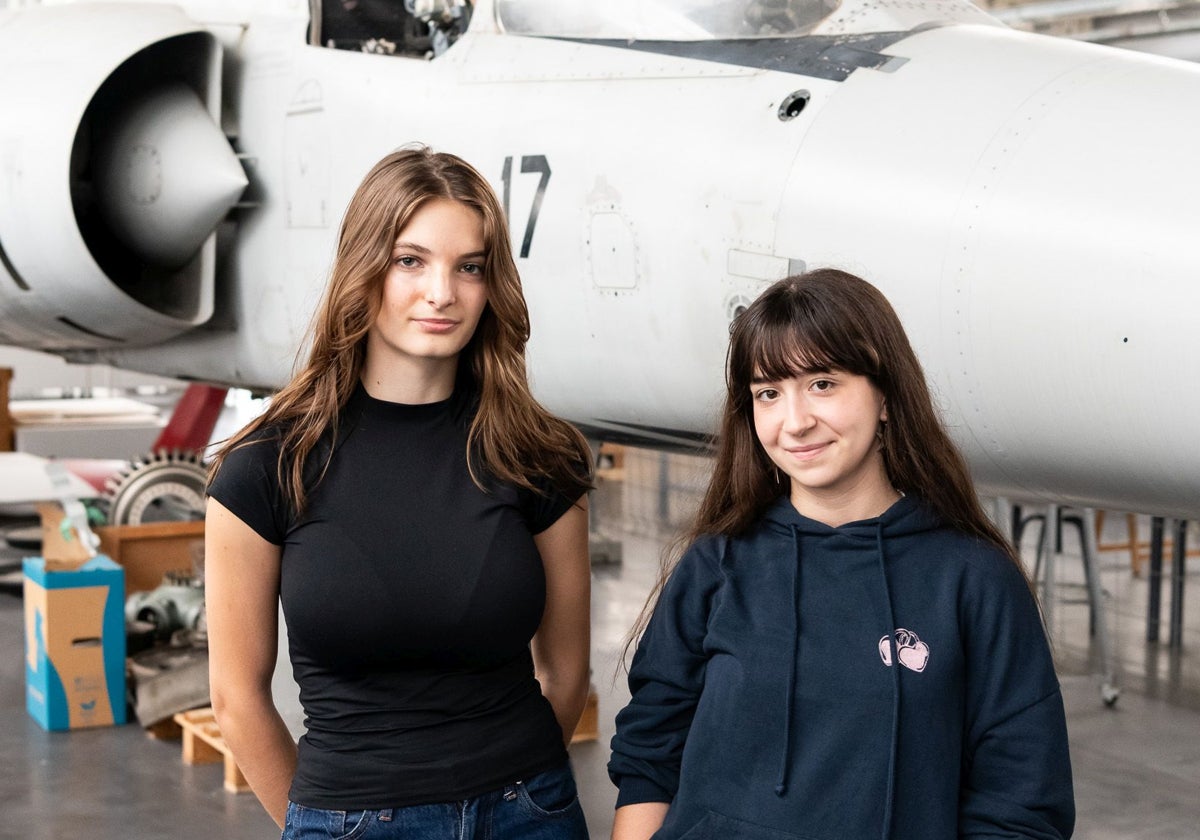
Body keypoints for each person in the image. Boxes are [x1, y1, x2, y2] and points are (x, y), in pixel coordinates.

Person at [205, 146, 593, 840]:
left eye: (469, 267)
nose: (442, 292)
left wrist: (517, 795)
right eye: (410, 260)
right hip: (352, 817)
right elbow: (235, 700)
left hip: (528, 812)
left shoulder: (540, 457)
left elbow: (566, 673)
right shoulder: (267, 465)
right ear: (365, 269)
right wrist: (320, 824)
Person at [607, 269, 1075, 840]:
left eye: (823, 383)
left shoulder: (973, 579)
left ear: (884, 396)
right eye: (768, 394)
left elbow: (1021, 803)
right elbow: (650, 754)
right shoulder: (716, 563)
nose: (795, 422)